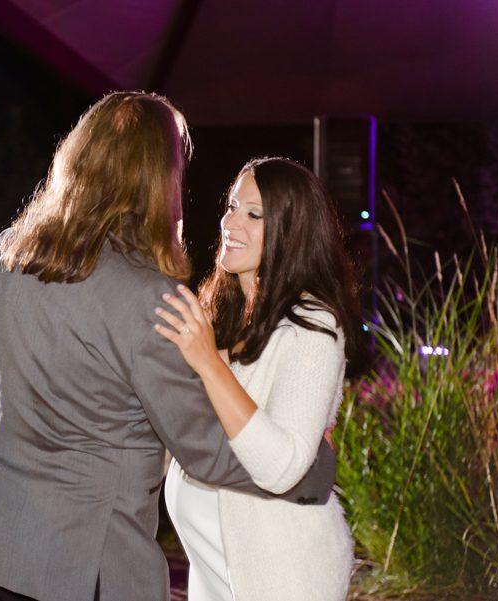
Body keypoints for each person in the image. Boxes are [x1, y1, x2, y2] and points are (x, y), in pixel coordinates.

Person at [0, 94, 337, 601]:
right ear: (158, 179)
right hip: (87, 566)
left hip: (2, 544)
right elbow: (203, 451)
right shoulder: (149, 297)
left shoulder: (11, 250)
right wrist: (309, 474)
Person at [155, 157, 360, 601]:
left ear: (291, 232)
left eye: (253, 214)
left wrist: (208, 364)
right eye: (231, 206)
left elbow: (282, 465)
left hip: (284, 577)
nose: (231, 221)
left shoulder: (312, 328)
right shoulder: (227, 320)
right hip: (215, 572)